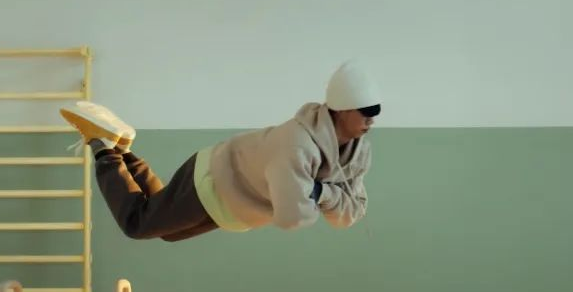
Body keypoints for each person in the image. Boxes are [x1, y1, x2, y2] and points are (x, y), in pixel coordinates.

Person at [59, 59, 379, 242]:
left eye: (375, 112)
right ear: (341, 109)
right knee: (137, 224)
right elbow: (292, 217)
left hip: (232, 206)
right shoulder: (297, 145)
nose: (372, 120)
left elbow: (351, 213)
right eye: (365, 112)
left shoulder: (358, 153)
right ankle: (104, 148)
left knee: (164, 229)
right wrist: (331, 196)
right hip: (214, 182)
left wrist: (320, 192)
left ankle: (121, 148)